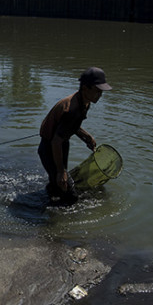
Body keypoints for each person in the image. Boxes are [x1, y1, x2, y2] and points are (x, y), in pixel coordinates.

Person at [38, 67, 112, 205]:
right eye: (97, 91)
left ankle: (50, 200)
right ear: (85, 88)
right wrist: (61, 171)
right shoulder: (71, 109)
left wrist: (86, 137)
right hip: (50, 148)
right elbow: (55, 141)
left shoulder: (85, 102)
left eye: (101, 92)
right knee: (70, 196)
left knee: (57, 186)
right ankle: (49, 220)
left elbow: (72, 126)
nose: (100, 95)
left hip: (62, 145)